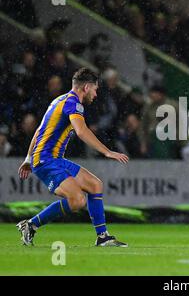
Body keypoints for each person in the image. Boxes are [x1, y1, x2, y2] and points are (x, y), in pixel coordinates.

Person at [17, 68, 129, 247]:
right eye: (95, 89)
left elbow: (39, 131)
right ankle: (30, 225)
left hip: (52, 159)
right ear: (86, 87)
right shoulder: (73, 104)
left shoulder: (59, 100)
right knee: (77, 200)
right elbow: (81, 131)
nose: (96, 93)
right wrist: (107, 151)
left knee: (95, 185)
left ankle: (103, 237)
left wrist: (28, 158)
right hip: (46, 161)